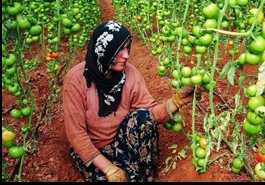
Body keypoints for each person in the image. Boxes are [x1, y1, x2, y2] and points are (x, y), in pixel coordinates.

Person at [62, 20, 201, 182]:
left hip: (122, 140)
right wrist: (108, 168)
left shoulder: (130, 74)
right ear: (104, 50)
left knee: (143, 118)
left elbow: (150, 114)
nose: (127, 55)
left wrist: (177, 101)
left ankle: (149, 177)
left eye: (128, 48)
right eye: (119, 49)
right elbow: (76, 135)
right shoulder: (76, 80)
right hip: (93, 151)